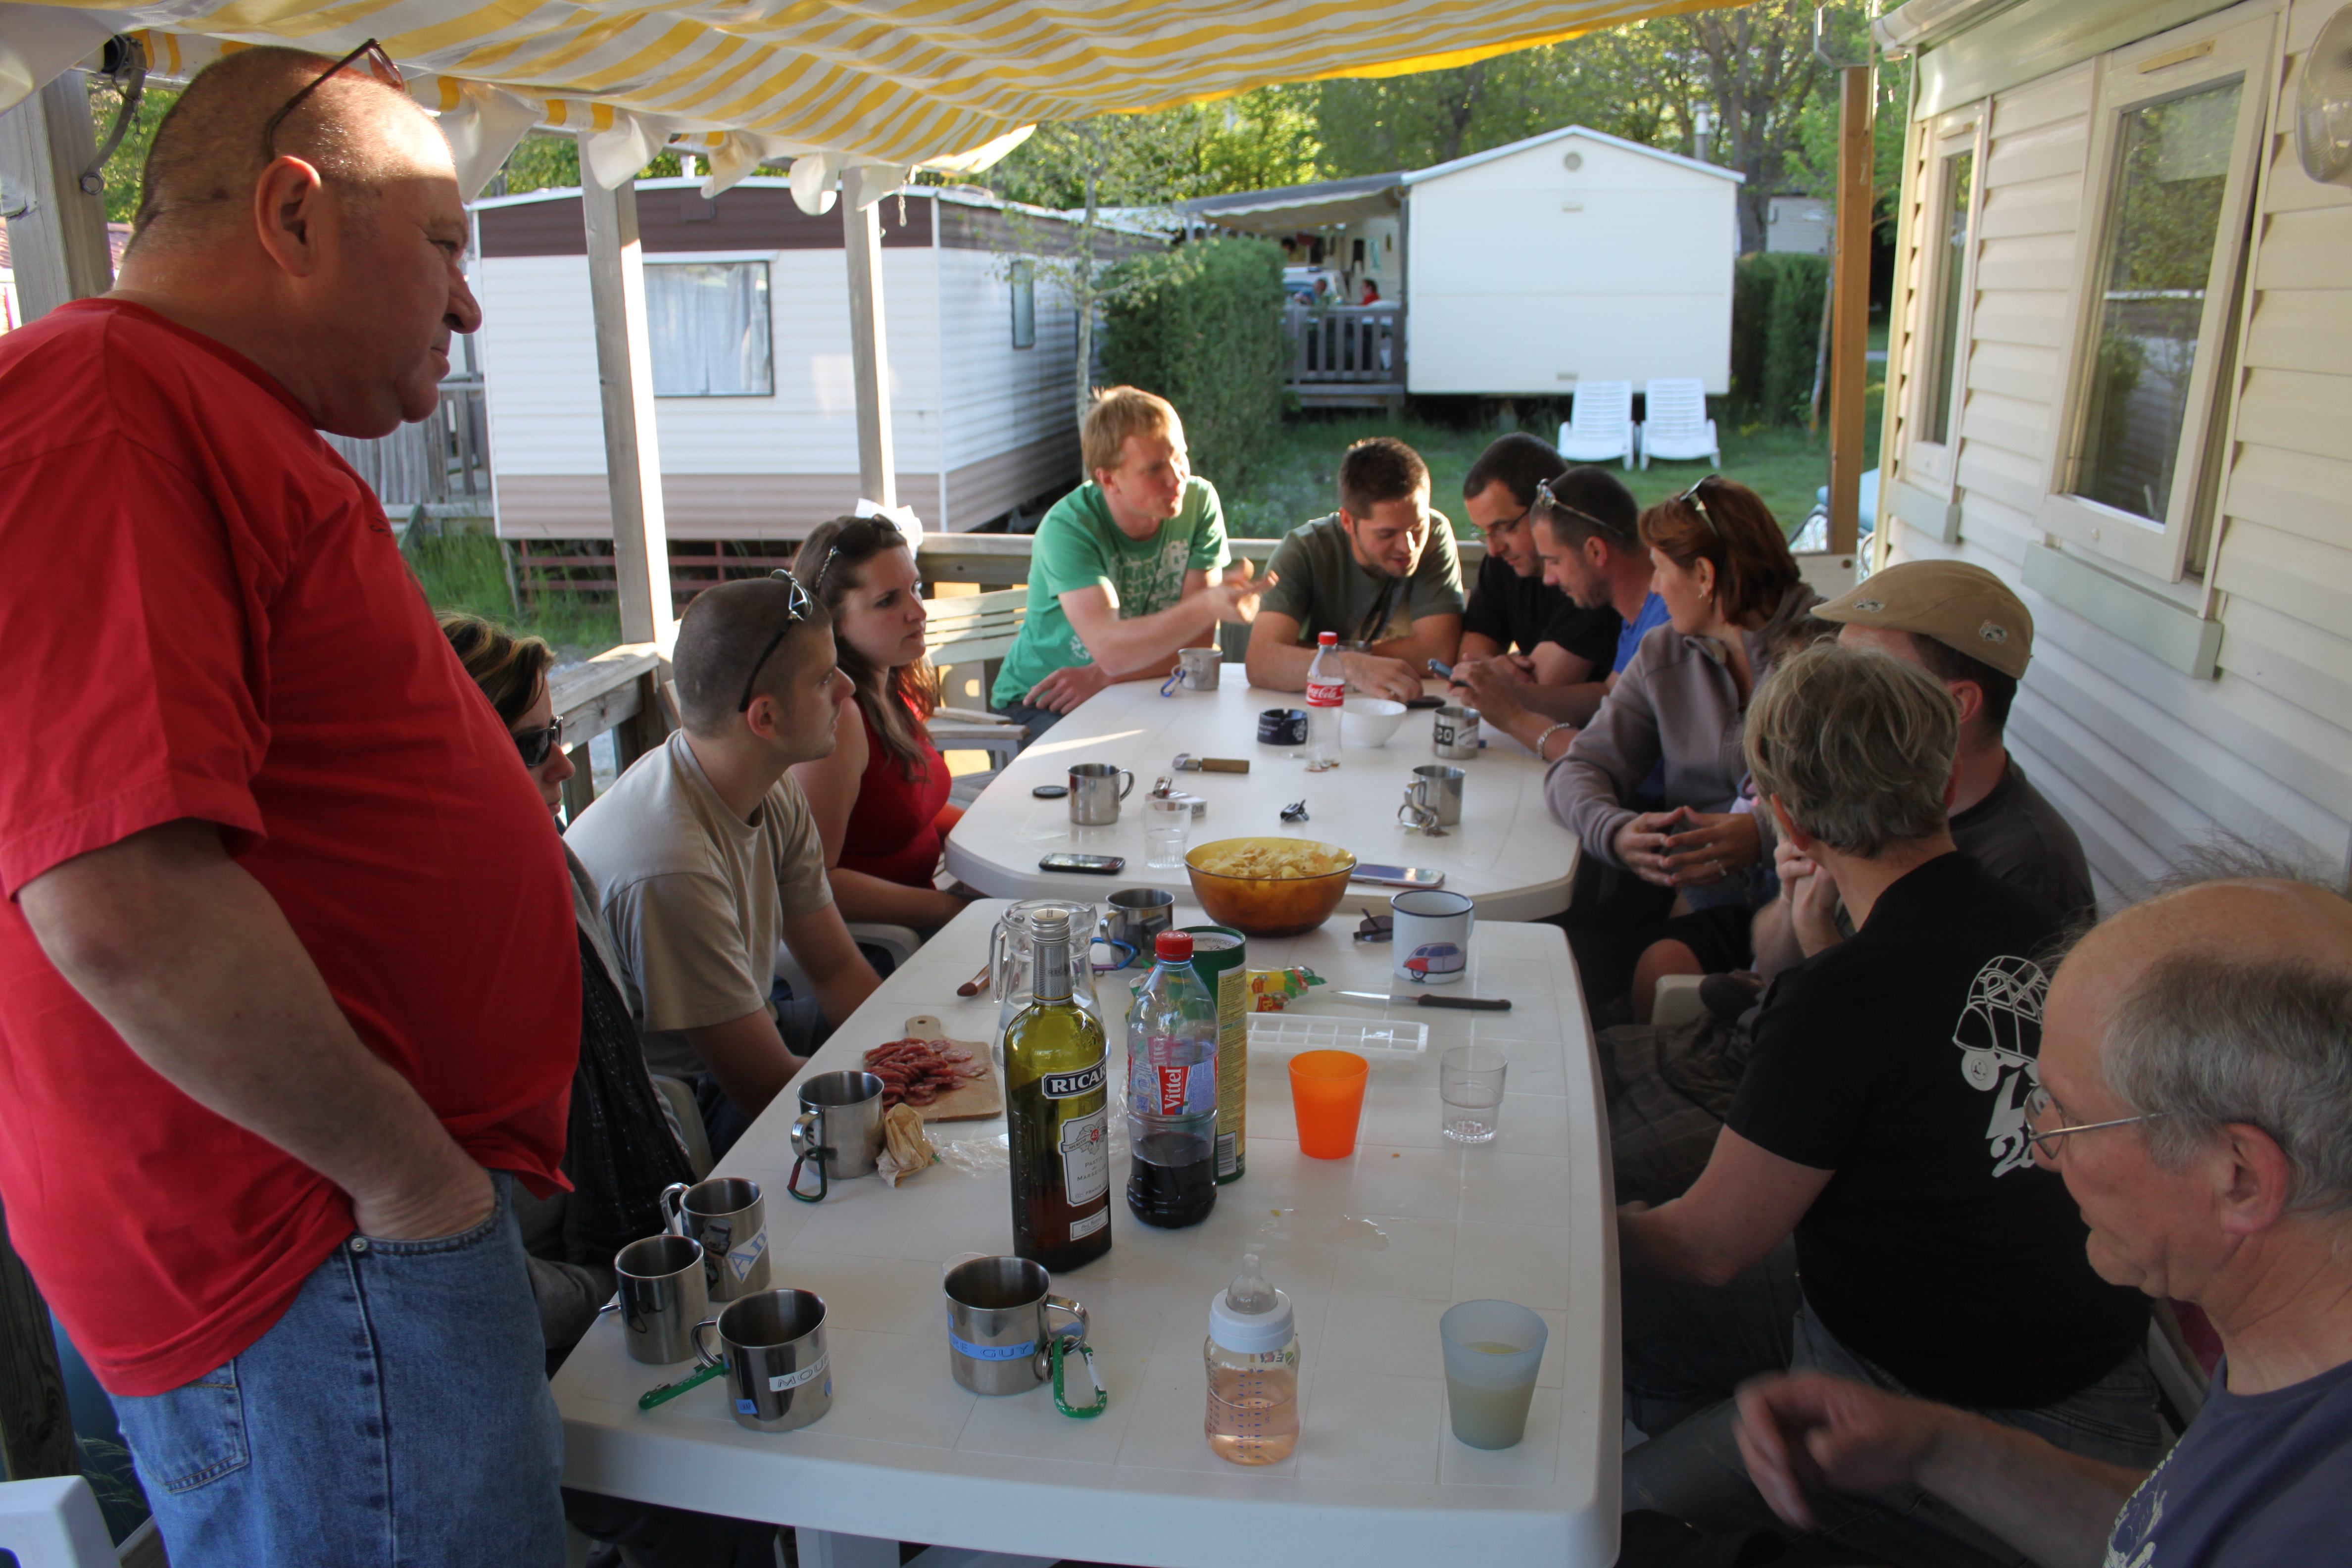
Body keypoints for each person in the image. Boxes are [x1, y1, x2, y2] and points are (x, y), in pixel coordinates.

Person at [0, 46, 575, 1566]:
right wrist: (410, 1181)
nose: (467, 305)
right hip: (316, 1256)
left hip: (344, 1251)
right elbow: (119, 905)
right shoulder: (110, 399)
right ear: (293, 214)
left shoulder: (200, 414)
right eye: (444, 243)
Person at [1617, 642, 2159, 1566]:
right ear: (1944, 779)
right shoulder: (2054, 930)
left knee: (1616, 1517)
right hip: (2085, 1371)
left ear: (1786, 816)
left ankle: (1779, 1504)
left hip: (1964, 1419)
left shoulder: (1843, 1001)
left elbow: (1706, 1248)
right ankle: (1754, 1460)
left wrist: (1588, 1226)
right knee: (1639, 1310)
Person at [1729, 858, 2352, 1568]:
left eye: (2072, 1117)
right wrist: (1937, 1445)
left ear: (2238, 1178)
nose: (2042, 1147)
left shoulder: (2314, 1530)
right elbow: (2167, 1534)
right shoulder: (2287, 1363)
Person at [440, 614, 697, 1361]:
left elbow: (634, 1081)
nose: (562, 765)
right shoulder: (431, 956)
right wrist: (608, 1290)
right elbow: (477, 1267)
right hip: (550, 1310)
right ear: (450, 759)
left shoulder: (548, 865)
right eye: (532, 746)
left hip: (632, 1234)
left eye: (556, 734)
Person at [567, 575, 881, 1158]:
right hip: (680, 1107)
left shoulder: (767, 783)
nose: (848, 687)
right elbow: (764, 1088)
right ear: (765, 718)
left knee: (922, 1016)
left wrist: (913, 1054)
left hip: (753, 1028)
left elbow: (836, 970)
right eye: (824, 679)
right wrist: (911, 1095)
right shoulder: (670, 866)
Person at [1544, 476, 1817, 1006]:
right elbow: (1577, 769)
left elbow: (1860, 798)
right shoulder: (1665, 652)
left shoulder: (1826, 658)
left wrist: (1763, 835)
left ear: (1704, 577)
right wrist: (1616, 832)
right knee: (1607, 962)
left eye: (1661, 570)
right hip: (1700, 891)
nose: (1653, 588)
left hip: (1807, 899)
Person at [989, 387, 1269, 742]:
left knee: (1215, 746)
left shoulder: (1199, 502)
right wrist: (1205, 606)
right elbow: (1111, 651)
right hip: (1041, 699)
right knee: (1120, 765)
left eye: (1180, 457)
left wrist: (1105, 676)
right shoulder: (1069, 527)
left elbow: (1195, 647)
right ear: (1109, 479)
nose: (1176, 478)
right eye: (1154, 469)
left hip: (1131, 687)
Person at [787, 515, 980, 931]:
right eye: (888, 601)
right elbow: (815, 884)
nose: (918, 611)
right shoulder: (840, 718)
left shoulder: (891, 685)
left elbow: (907, 814)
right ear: (832, 622)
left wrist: (994, 834)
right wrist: (953, 911)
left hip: (927, 911)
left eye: (916, 588)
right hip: (884, 945)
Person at [1452, 460, 1667, 753]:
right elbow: (1608, 695)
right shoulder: (1641, 613)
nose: (1549, 579)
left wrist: (1515, 718)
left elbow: (1616, 758)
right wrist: (1507, 694)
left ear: (1596, 551)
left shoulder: (1666, 628)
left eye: (1553, 561)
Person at [1246, 436, 1465, 702]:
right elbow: (1262, 662)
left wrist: (1318, 659)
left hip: (1403, 705)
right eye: (1387, 534)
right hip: (1318, 703)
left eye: (1417, 527)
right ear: (1348, 521)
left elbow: (1438, 653)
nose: (1408, 546)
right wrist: (1350, 666)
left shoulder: (1436, 533)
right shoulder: (1303, 550)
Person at [1451, 434, 1622, 700]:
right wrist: (1490, 667)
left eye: (1503, 527)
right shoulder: (1505, 559)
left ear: (1546, 509)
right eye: (1483, 532)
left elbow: (1541, 685)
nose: (1494, 549)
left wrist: (1489, 672)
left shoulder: (1588, 568)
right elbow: (1470, 653)